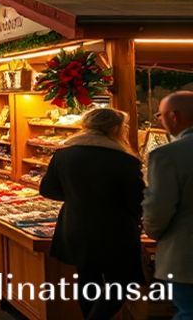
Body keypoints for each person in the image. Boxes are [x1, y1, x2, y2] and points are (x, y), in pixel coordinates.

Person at [40, 107, 144, 319]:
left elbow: (48, 189)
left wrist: (76, 197)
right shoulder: (124, 160)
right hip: (116, 230)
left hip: (75, 226)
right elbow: (138, 200)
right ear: (115, 128)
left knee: (88, 279)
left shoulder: (64, 155)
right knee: (122, 282)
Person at [143, 91, 193, 320]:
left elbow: (159, 209)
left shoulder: (168, 155)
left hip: (186, 254)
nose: (159, 120)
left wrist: (151, 231)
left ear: (174, 116)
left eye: (160, 115)